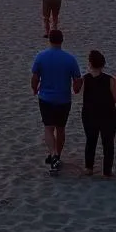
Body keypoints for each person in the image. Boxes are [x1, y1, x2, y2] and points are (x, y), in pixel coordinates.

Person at [31, 29, 83, 175]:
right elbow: (78, 81)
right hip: (63, 98)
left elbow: (35, 77)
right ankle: (57, 155)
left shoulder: (41, 56)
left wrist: (35, 89)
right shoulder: (70, 59)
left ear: (50, 40)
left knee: (48, 128)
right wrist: (76, 89)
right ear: (62, 40)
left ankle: (53, 154)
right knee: (60, 128)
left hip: (46, 97)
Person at [81, 50, 116, 178]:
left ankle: (89, 168)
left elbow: (78, 94)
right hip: (108, 114)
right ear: (103, 64)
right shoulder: (110, 80)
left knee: (90, 140)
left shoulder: (85, 79)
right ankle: (107, 171)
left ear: (90, 63)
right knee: (108, 143)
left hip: (89, 114)